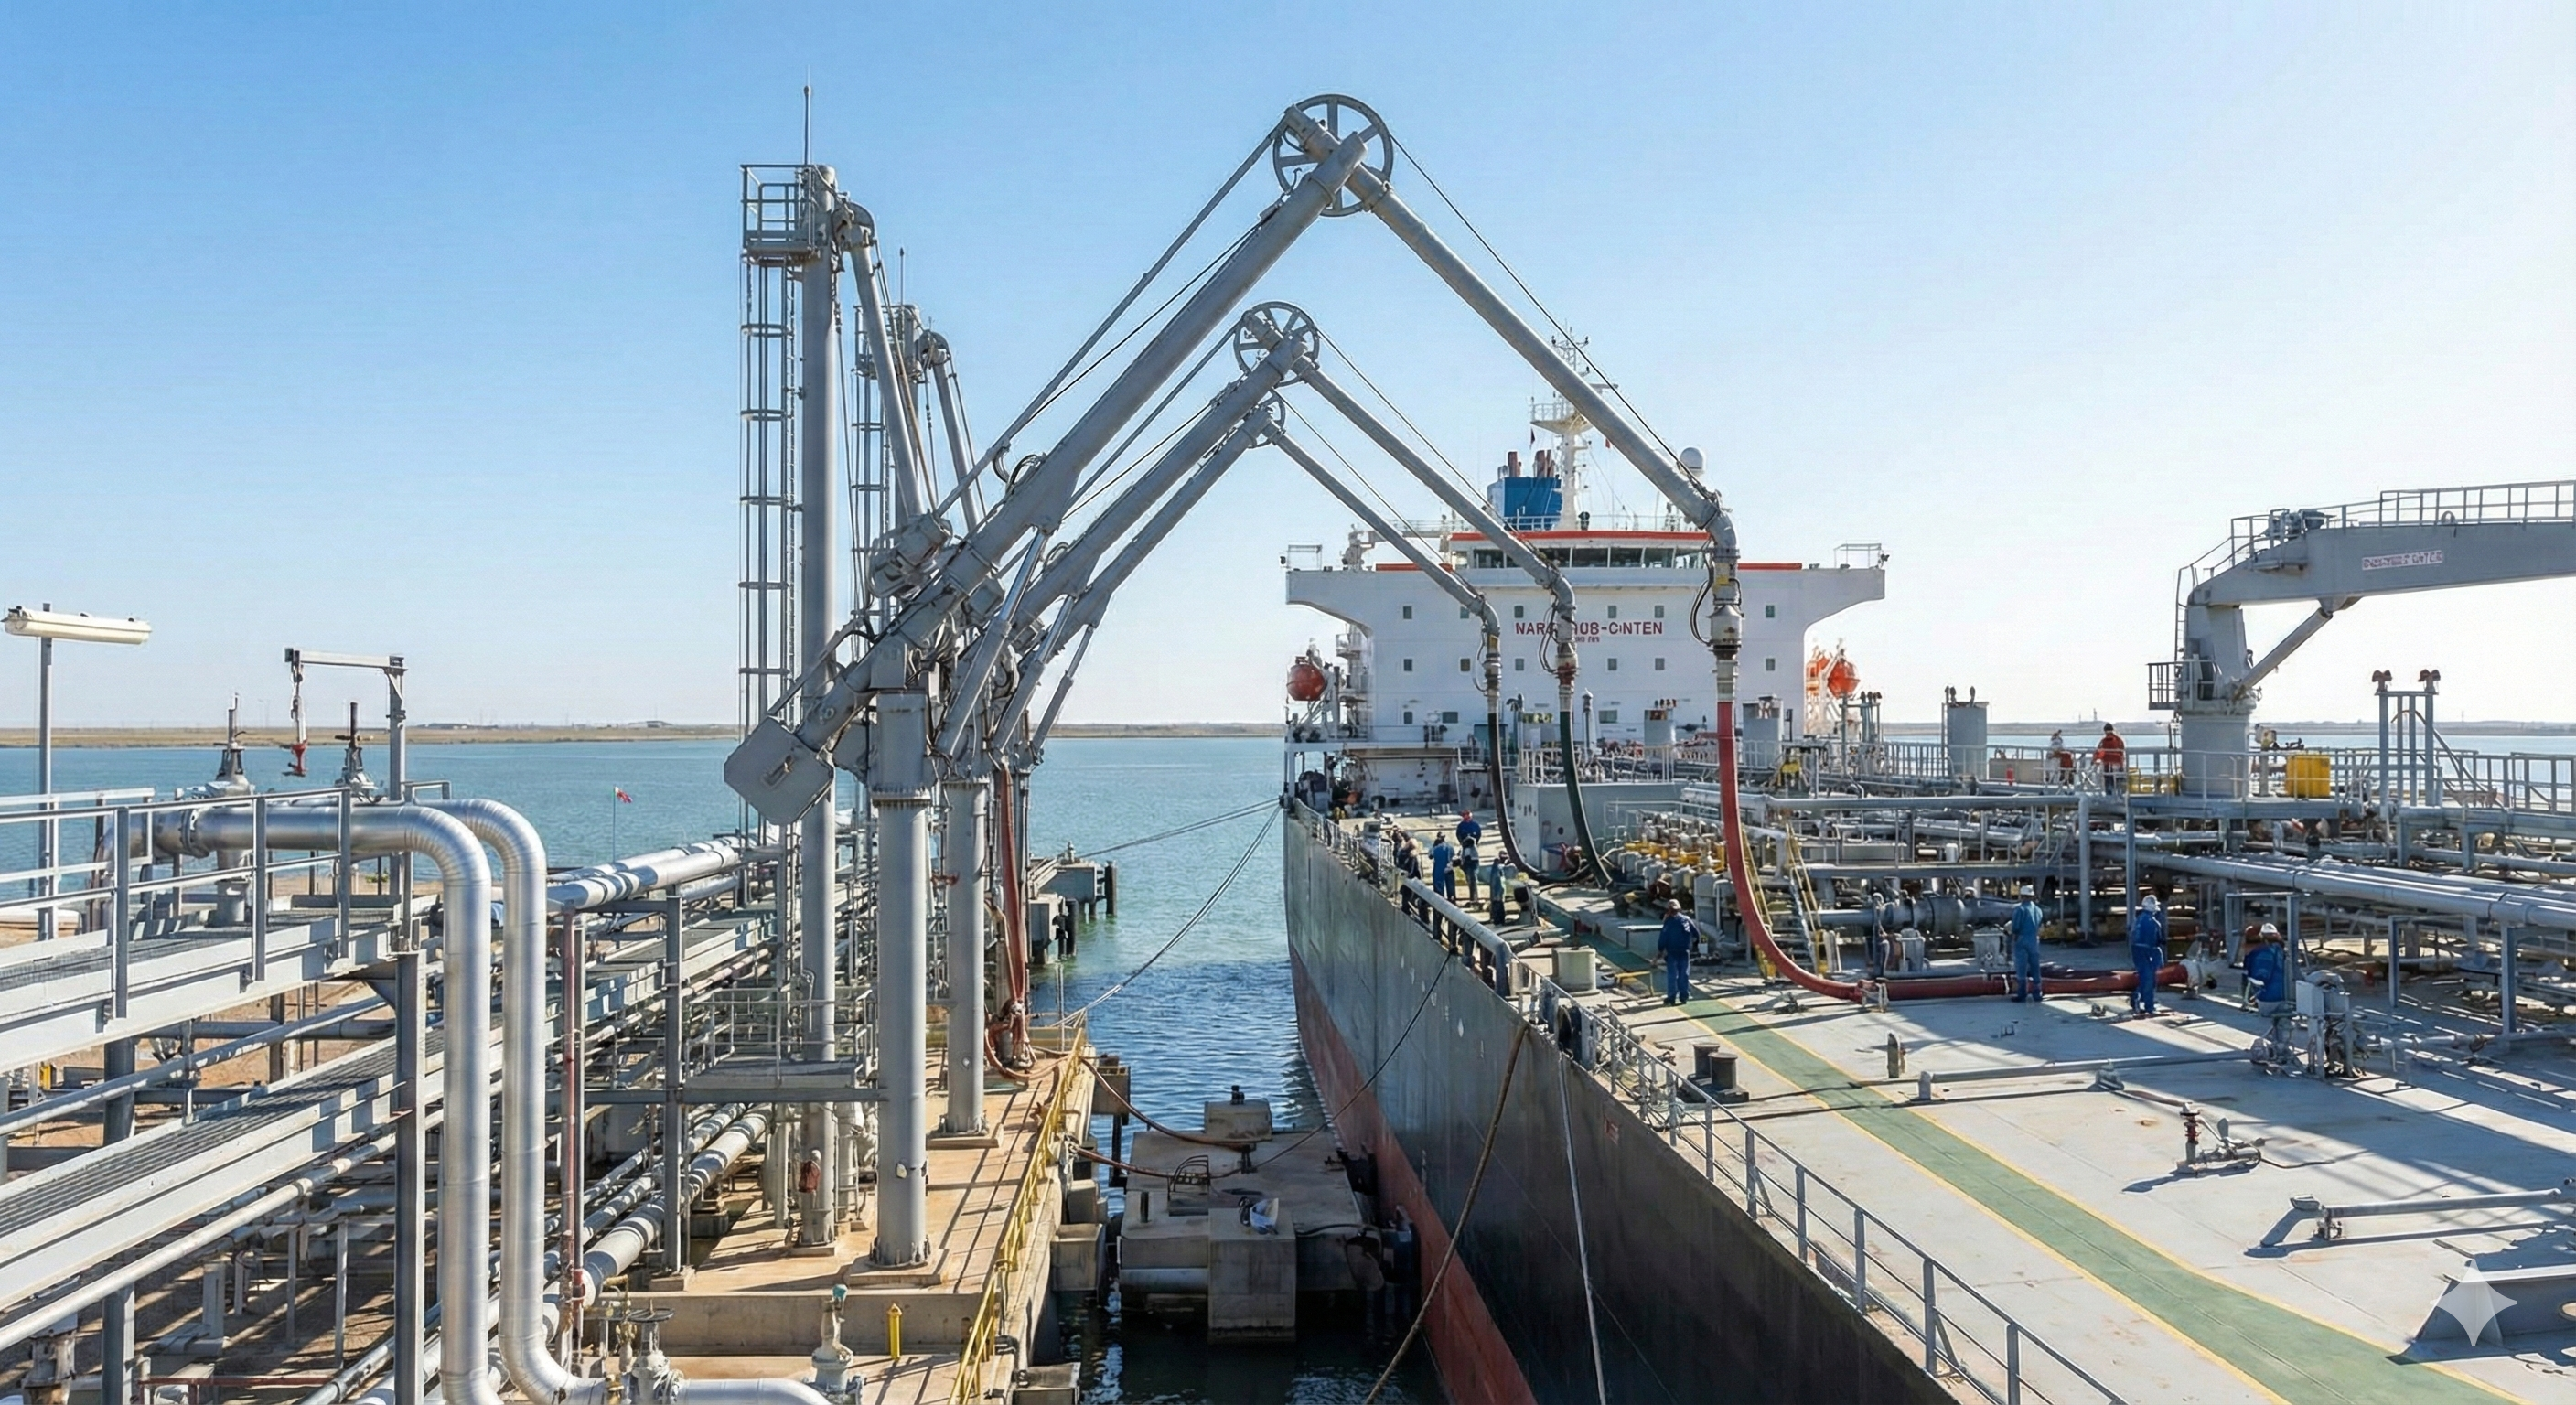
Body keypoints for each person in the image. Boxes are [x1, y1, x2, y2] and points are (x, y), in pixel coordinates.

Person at [2129, 893, 2168, 1017]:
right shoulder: (2153, 922)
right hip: (2148, 952)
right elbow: (2154, 942)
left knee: (2144, 977)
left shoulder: (2138, 919)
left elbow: (2132, 934)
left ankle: (2139, 997)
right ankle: (2148, 1005)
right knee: (2149, 979)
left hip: (2137, 951)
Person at [1658, 898, 1699, 1006]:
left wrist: (1660, 950)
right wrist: (1696, 946)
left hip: (1672, 952)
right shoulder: (1687, 920)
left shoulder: (1668, 922)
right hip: (1684, 952)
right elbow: (1697, 934)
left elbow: (1663, 937)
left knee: (1672, 975)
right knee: (1683, 974)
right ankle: (1683, 996)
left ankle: (1671, 997)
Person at [2010, 896, 2045, 1003]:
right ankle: (2037, 993)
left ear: (2022, 896)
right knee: (2035, 965)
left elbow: (2015, 926)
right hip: (2033, 940)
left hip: (2021, 940)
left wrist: (2014, 936)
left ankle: (2022, 993)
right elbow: (2040, 925)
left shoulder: (2020, 910)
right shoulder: (2038, 910)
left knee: (2021, 966)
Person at [2243, 922, 2288, 1005]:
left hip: (2269, 999)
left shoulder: (2265, 953)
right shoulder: (2281, 952)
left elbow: (2259, 978)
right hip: (2285, 996)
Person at [1454, 810, 1484, 901]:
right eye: (1465, 817)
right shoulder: (1461, 826)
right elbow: (1458, 835)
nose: (1467, 818)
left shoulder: (1475, 826)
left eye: (1468, 816)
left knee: (1474, 875)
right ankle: (1471, 893)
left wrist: (1475, 842)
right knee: (1468, 874)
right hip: (1465, 851)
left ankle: (1475, 896)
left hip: (1473, 851)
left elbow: (1479, 835)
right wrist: (1462, 843)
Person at [2095, 723, 2127, 795]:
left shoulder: (2103, 741)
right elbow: (2122, 750)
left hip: (2107, 764)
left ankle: (2109, 792)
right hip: (2119, 763)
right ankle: (2120, 792)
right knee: (2120, 779)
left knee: (2108, 779)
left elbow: (2099, 751)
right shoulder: (2119, 740)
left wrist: (2095, 760)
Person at [1429, 833, 1456, 903]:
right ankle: (1452, 899)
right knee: (1450, 885)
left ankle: (1440, 901)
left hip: (1438, 867)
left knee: (1438, 885)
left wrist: (1433, 846)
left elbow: (1430, 856)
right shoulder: (1450, 847)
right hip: (1448, 867)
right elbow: (1453, 856)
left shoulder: (1435, 848)